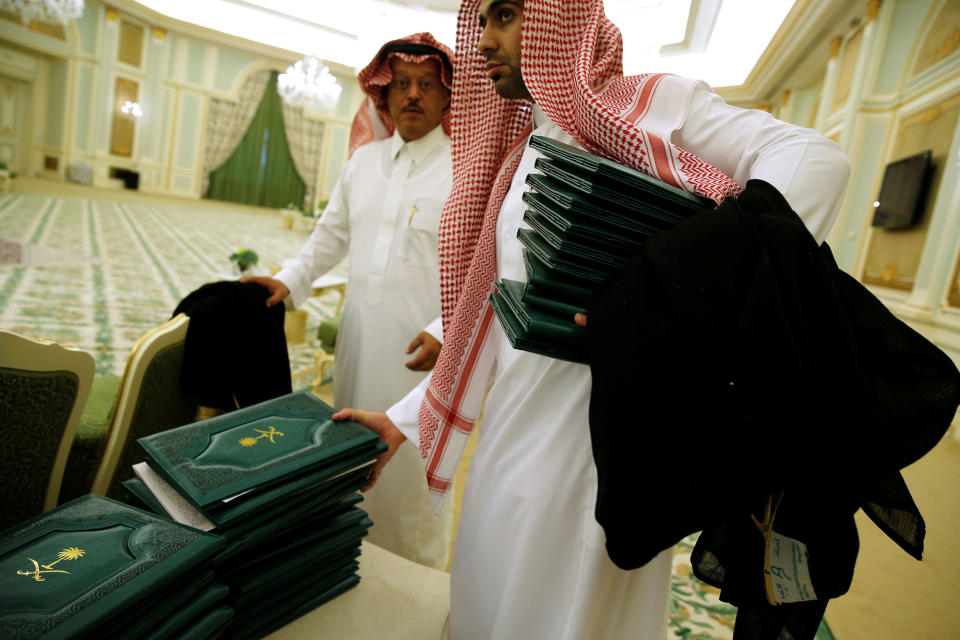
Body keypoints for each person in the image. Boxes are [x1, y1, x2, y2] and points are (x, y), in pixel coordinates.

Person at [334, 2, 851, 638]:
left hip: (600, 450)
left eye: (505, 16)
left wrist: (682, 291)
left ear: (562, 18)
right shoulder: (524, 152)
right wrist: (403, 418)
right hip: (511, 439)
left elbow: (815, 161)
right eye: (483, 22)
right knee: (486, 604)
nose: (485, 42)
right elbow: (500, 316)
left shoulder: (654, 106)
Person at [242, 33, 455, 570]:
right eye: (401, 84)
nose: (412, 95)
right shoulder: (363, 163)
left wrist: (445, 329)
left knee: (408, 477)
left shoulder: (464, 169)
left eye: (426, 85)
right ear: (381, 94)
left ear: (447, 95)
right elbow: (329, 236)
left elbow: (479, 264)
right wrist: (288, 280)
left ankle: (413, 580)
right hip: (359, 342)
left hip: (421, 355)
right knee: (351, 457)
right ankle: (346, 559)